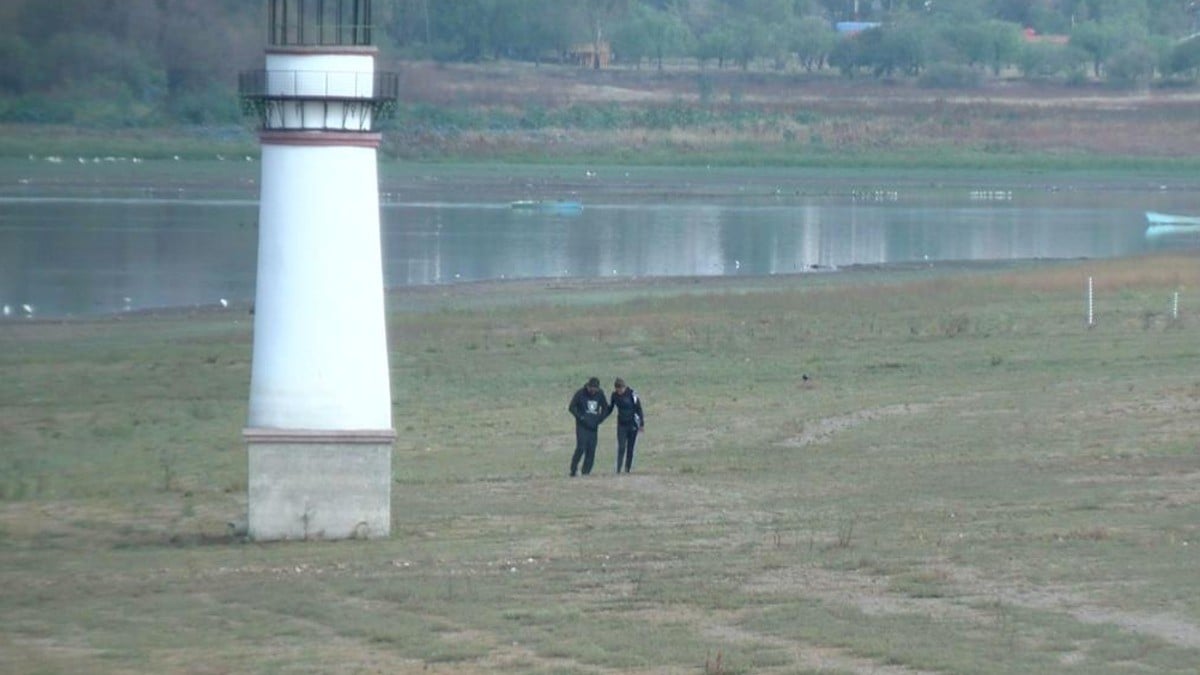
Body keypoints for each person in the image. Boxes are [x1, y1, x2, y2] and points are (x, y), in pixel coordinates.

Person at [567, 376, 610, 476]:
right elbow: (571, 407)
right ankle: (573, 470)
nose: (593, 391)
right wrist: (580, 417)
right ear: (588, 387)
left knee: (591, 449)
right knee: (581, 447)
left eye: (595, 389)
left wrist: (600, 419)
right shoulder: (580, 393)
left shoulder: (600, 394)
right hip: (582, 426)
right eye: (592, 389)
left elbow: (605, 408)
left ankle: (586, 472)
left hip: (593, 426)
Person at [608, 377, 644, 473]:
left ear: (624, 387)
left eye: (620, 389)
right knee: (621, 446)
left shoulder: (632, 394)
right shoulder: (614, 396)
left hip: (632, 424)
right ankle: (618, 469)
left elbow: (639, 408)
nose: (619, 392)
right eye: (617, 390)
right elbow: (610, 408)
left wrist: (641, 424)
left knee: (630, 448)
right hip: (621, 424)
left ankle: (627, 468)